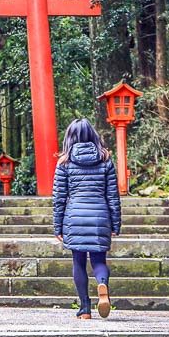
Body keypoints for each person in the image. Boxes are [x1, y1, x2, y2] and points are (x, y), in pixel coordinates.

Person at [52, 118, 122, 320]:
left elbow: (59, 198)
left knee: (78, 262)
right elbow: (112, 196)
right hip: (100, 216)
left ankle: (84, 309)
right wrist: (115, 223)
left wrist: (58, 226)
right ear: (92, 135)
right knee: (99, 260)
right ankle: (102, 284)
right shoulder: (105, 159)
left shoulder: (64, 162)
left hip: (74, 217)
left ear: (69, 137)